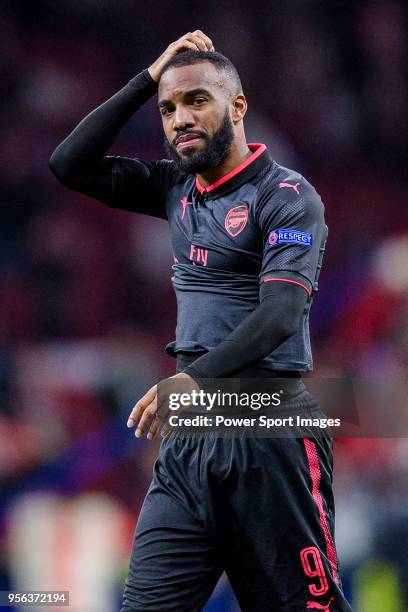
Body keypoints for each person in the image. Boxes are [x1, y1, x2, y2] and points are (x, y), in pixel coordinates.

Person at [50, 30, 352, 612]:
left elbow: (283, 313)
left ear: (237, 107)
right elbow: (69, 163)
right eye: (168, 108)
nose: (180, 118)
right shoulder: (176, 190)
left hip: (268, 427)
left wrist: (195, 381)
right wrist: (147, 78)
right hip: (189, 441)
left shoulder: (288, 196)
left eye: (196, 101)